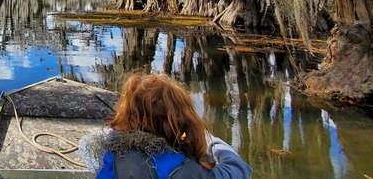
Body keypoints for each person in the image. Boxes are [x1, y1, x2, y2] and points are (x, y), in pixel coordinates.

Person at [79, 73, 252, 179]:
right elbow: (239, 169)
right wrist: (208, 139)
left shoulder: (111, 154)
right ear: (184, 122)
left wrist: (120, 130)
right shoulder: (189, 171)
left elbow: (87, 142)